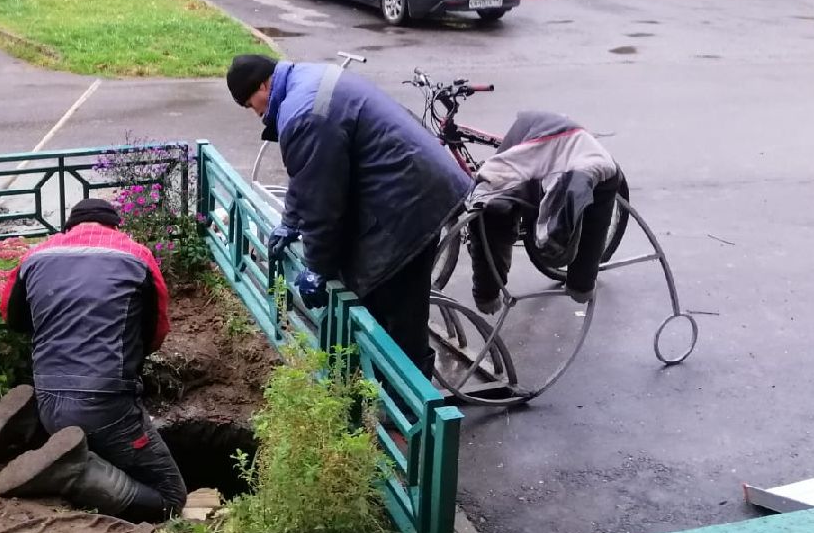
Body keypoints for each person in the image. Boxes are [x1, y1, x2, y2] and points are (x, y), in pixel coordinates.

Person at [226, 54, 470, 376]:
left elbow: (322, 202)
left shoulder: (304, 113)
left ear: (263, 84)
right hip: (405, 186)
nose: (255, 113)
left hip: (408, 203)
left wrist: (316, 267)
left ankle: (411, 416)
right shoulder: (305, 82)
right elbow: (311, 174)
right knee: (378, 306)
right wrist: (290, 221)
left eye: (250, 103)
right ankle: (378, 394)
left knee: (398, 313)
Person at [0, 197, 187, 521]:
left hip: (49, 398)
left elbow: (12, 318)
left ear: (68, 227)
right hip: (107, 404)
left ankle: (37, 437)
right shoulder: (136, 255)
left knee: (92, 436)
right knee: (171, 498)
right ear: (115, 226)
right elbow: (157, 331)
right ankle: (74, 472)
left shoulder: (34, 256)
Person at [465, 110, 625, 313]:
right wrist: (486, 293)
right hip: (531, 137)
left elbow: (595, 230)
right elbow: (487, 214)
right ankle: (489, 290)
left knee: (597, 204)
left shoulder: (603, 170)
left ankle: (541, 232)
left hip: (575, 147)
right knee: (495, 210)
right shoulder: (508, 168)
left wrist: (581, 285)